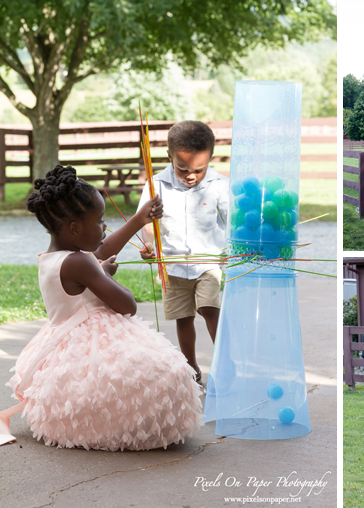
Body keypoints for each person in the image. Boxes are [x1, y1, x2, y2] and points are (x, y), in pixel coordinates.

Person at [0, 165, 202, 449]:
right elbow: (127, 305)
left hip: (64, 346)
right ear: (74, 228)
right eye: (100, 220)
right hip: (87, 346)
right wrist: (103, 275)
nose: (104, 226)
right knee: (164, 374)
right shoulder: (79, 262)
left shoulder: (57, 256)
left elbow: (101, 251)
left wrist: (138, 219)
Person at [138, 121, 229, 385]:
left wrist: (235, 249)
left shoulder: (220, 185)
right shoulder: (156, 185)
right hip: (173, 265)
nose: (191, 175)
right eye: (183, 169)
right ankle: (191, 368)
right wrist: (149, 246)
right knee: (183, 316)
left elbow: (233, 222)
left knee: (209, 308)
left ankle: (224, 364)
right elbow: (145, 223)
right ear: (170, 156)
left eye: (199, 170)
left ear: (210, 159)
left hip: (208, 262)